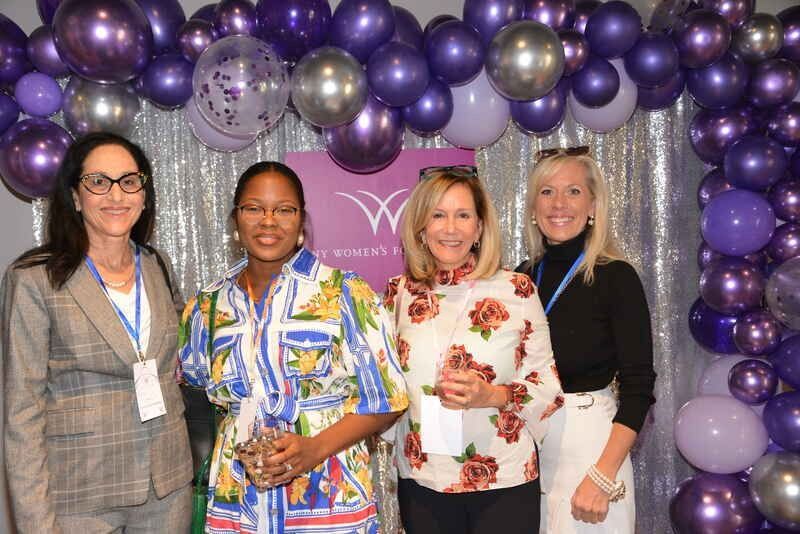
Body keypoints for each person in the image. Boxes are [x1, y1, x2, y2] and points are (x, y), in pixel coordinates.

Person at [179, 161, 408, 533]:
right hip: (238, 499)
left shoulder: (344, 292)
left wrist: (314, 448)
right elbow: (198, 392)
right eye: (254, 208)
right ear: (235, 221)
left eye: (284, 210)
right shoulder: (205, 306)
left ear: (302, 222)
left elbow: (388, 399)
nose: (269, 220)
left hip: (327, 495)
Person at [2, 132, 193, 533]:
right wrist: (36, 524)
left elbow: (180, 356)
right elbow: (22, 411)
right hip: (80, 495)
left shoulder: (157, 265)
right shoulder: (35, 278)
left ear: (144, 193)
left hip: (166, 487)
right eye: (98, 182)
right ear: (75, 196)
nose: (116, 195)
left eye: (129, 181)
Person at [384, 165, 563, 534]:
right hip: (422, 479)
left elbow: (547, 384)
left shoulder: (517, 289)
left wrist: (492, 394)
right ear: (421, 226)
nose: (450, 228)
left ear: (479, 228)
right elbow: (382, 385)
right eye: (438, 215)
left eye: (463, 215)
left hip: (504, 477)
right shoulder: (397, 293)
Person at [516, 147, 656, 533]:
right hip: (528, 448)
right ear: (531, 207)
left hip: (590, 447)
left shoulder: (616, 277)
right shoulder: (521, 278)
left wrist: (602, 474)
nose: (559, 203)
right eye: (547, 191)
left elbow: (640, 387)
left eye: (574, 191)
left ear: (593, 205)